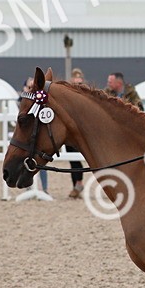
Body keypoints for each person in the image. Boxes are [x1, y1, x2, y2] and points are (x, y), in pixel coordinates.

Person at [22, 77, 51, 194]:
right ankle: (27, 186)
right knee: (24, 160)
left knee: (41, 162)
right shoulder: (24, 101)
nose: (31, 90)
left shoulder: (43, 102)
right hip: (26, 136)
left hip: (38, 135)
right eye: (29, 87)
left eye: (32, 87)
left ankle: (44, 189)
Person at [67, 69, 88, 197]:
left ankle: (78, 184)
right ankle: (77, 184)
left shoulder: (86, 97)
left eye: (79, 83)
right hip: (71, 133)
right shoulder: (68, 98)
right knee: (73, 160)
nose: (78, 86)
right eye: (76, 83)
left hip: (84, 132)